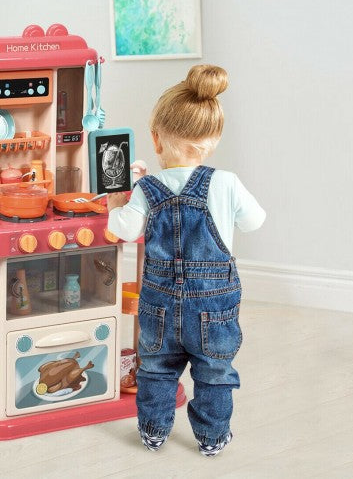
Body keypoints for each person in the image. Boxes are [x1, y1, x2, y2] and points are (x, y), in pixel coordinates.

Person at [107, 65, 265, 456]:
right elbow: (255, 221)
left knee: (155, 368)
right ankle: (212, 438)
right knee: (215, 372)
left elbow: (123, 230)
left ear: (156, 138)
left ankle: (153, 432)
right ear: (213, 140)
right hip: (214, 304)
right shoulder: (226, 182)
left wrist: (116, 200)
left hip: (159, 303)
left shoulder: (147, 187)